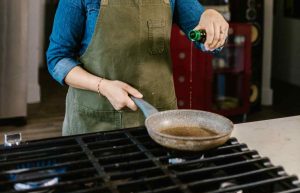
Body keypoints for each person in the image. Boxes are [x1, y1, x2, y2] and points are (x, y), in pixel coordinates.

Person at [47, 0, 229, 136]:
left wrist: (212, 20)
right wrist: (103, 86)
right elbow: (58, 59)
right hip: (95, 124)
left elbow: (204, 39)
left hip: (157, 123)